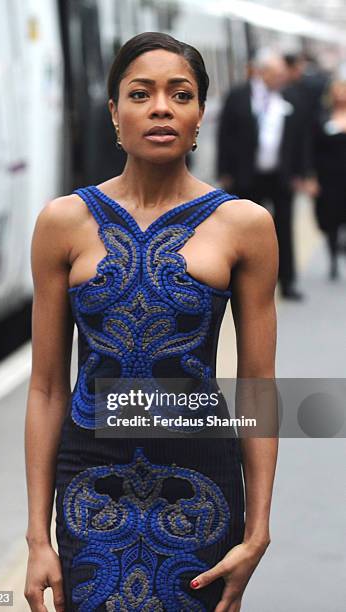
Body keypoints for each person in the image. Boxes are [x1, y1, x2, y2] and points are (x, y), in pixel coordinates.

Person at [24, 32, 278, 612]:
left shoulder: (245, 226)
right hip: (92, 488)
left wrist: (258, 530)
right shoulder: (64, 222)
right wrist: (38, 537)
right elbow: (45, 388)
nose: (161, 107)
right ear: (114, 112)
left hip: (201, 493)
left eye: (180, 94)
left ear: (199, 115)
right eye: (141, 94)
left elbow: (259, 388)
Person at [217, 48, 307, 301]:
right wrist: (224, 171)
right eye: (276, 74)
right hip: (246, 176)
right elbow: (225, 135)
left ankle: (287, 281)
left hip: (281, 176)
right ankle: (239, 282)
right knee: (244, 230)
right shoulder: (238, 96)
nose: (281, 78)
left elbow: (300, 139)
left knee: (285, 228)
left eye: (282, 74)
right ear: (261, 72)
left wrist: (301, 172)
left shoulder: (291, 97)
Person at [304, 67, 346, 279]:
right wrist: (310, 177)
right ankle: (332, 260)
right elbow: (312, 148)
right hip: (328, 177)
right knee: (330, 219)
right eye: (337, 90)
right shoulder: (321, 117)